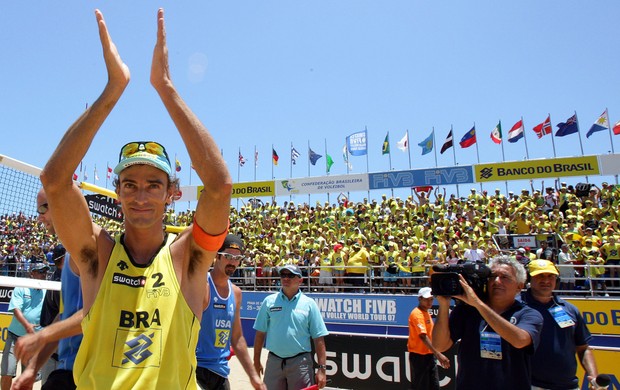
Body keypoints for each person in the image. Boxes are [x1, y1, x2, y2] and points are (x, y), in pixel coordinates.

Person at [40, 9, 231, 389]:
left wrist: (165, 87)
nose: (140, 195)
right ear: (118, 193)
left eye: (153, 184)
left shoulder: (189, 258)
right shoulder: (97, 254)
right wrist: (113, 88)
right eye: (130, 184)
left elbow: (219, 186)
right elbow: (56, 182)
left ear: (171, 195)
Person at [432, 256, 543, 390]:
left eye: (505, 277)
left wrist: (478, 304)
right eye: (492, 276)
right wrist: (444, 305)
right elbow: (439, 345)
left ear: (520, 286)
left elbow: (520, 340)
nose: (497, 281)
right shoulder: (467, 309)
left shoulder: (528, 314)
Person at [13, 189, 84, 390]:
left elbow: (93, 314)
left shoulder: (87, 249)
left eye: (44, 207)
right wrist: (32, 368)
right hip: (68, 370)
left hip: (86, 373)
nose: (39, 215)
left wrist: (41, 336)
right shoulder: (70, 256)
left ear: (66, 205)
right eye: (37, 209)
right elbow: (65, 316)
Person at [196, 235, 265, 390]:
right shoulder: (203, 286)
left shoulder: (236, 293)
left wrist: (253, 376)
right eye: (228, 256)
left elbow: (237, 337)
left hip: (220, 371)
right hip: (196, 368)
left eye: (237, 258)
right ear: (217, 256)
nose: (233, 262)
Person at [522, 260, 598, 389]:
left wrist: (594, 377)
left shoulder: (570, 309)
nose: (546, 280)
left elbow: (583, 347)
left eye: (550, 276)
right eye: (540, 276)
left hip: (568, 385)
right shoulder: (516, 306)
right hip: (529, 384)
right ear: (529, 279)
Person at [253, 264, 329, 389]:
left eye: (290, 275)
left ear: (300, 280)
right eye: (283, 275)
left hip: (301, 364)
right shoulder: (269, 301)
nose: (286, 278)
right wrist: (256, 361)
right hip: (274, 362)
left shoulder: (309, 304)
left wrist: (322, 369)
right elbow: (260, 333)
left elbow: (319, 338)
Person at [0, 263, 49, 390]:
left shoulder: (49, 290)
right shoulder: (22, 286)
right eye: (40, 271)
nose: (43, 274)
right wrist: (27, 326)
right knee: (6, 373)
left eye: (45, 272)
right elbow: (16, 309)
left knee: (28, 379)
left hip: (34, 340)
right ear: (31, 273)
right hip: (14, 337)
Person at [407, 287, 450, 390]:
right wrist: (438, 354)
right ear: (419, 299)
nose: (429, 302)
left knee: (434, 387)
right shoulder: (417, 314)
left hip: (429, 356)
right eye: (426, 299)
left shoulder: (426, 313)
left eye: (431, 299)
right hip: (419, 357)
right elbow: (423, 336)